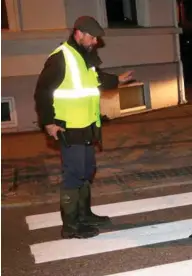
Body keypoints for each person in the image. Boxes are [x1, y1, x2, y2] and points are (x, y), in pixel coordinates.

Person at [34, 16, 135, 239]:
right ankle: (70, 226)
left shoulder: (84, 57)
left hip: (87, 125)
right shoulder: (61, 58)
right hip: (69, 127)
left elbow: (95, 79)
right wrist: (49, 122)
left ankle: (84, 214)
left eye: (96, 38)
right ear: (78, 33)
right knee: (74, 174)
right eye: (92, 37)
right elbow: (42, 91)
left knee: (87, 171)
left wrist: (117, 80)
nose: (95, 42)